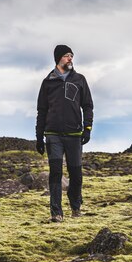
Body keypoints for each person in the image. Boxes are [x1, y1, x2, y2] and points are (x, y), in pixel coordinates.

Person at [36, 45, 94, 223]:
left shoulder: (79, 79)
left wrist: (87, 128)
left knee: (76, 175)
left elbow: (88, 105)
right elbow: (42, 110)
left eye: (71, 56)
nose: (70, 59)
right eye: (66, 56)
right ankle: (56, 213)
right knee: (55, 174)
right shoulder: (48, 82)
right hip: (53, 135)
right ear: (58, 59)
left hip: (74, 135)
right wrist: (39, 137)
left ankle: (75, 207)